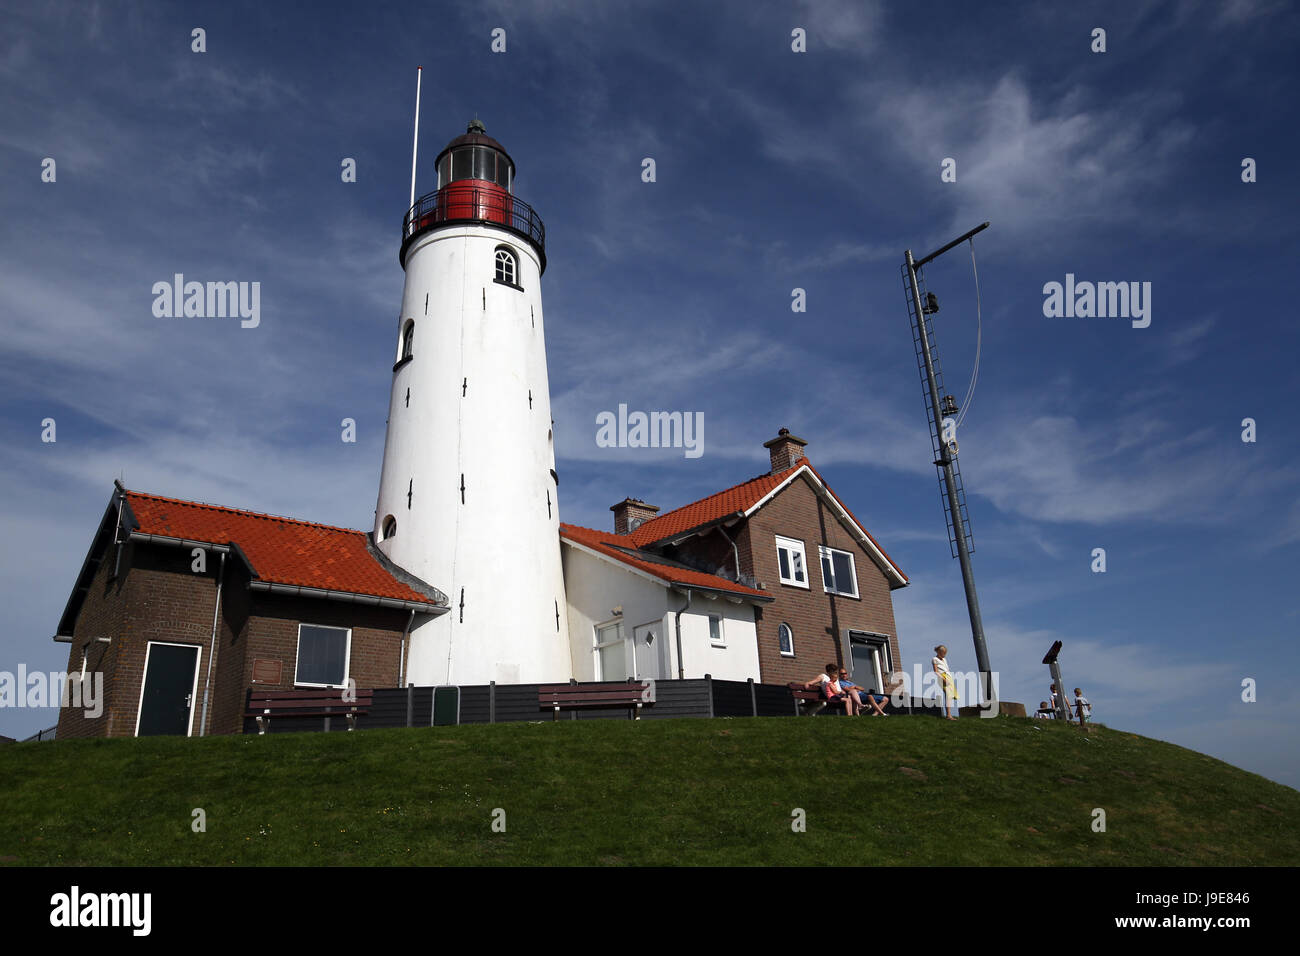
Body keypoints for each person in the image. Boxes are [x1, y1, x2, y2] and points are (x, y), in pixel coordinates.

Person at [932, 645, 957, 720]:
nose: (944, 655)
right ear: (939, 652)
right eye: (943, 653)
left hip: (948, 677)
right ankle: (948, 715)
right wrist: (943, 679)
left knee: (950, 696)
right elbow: (936, 671)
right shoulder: (934, 659)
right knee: (948, 695)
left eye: (945, 653)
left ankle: (949, 715)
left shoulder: (944, 659)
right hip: (942, 677)